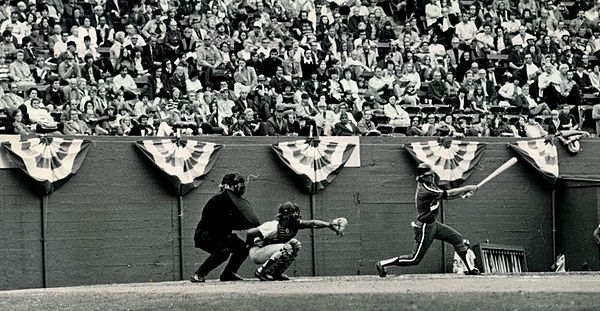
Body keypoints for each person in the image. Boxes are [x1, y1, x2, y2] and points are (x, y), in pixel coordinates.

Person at [376, 163, 481, 277]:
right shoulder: (425, 190)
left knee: (457, 238)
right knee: (414, 259)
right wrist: (467, 188)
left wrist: (463, 194)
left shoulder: (429, 184)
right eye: (430, 175)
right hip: (425, 227)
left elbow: (445, 196)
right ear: (424, 177)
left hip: (433, 224)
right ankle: (382, 264)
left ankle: (470, 269)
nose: (433, 176)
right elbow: (448, 194)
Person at [191, 173, 260, 283]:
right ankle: (199, 274)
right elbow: (216, 225)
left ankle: (228, 273)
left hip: (225, 235)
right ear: (227, 186)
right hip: (206, 235)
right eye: (237, 183)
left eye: (242, 183)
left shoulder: (238, 203)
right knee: (223, 251)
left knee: (247, 243)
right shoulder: (218, 200)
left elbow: (246, 223)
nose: (241, 186)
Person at [246, 202, 342, 281]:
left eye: (296, 211)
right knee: (286, 247)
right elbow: (250, 233)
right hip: (258, 252)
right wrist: (248, 246)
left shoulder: (294, 224)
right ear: (284, 215)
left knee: (296, 244)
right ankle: (261, 271)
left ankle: (276, 273)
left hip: (270, 250)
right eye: (292, 212)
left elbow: (312, 223)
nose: (296, 214)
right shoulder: (273, 226)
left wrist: (329, 225)